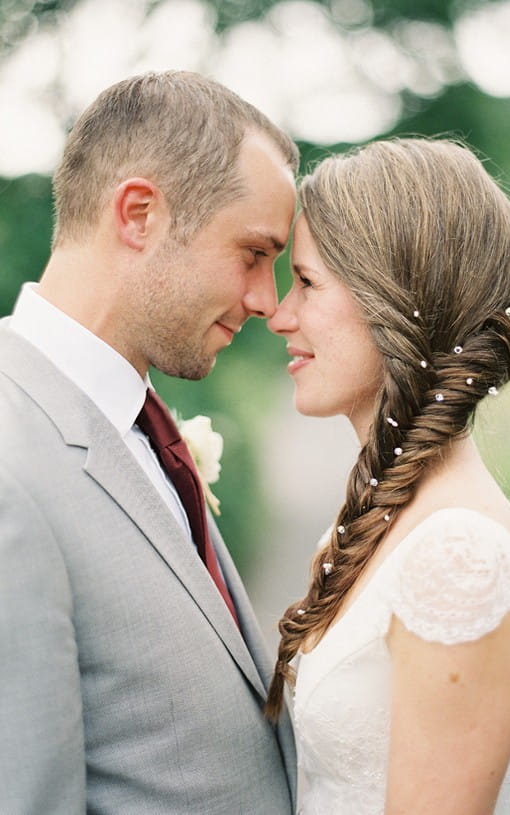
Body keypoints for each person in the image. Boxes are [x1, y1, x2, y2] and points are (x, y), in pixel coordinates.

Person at [0, 71, 298, 814]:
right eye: (253, 253)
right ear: (139, 215)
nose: (266, 299)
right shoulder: (10, 460)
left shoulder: (139, 421)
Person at [266, 138, 510, 815]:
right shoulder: (381, 514)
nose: (280, 315)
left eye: (305, 282)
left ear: (389, 297)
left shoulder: (459, 556)